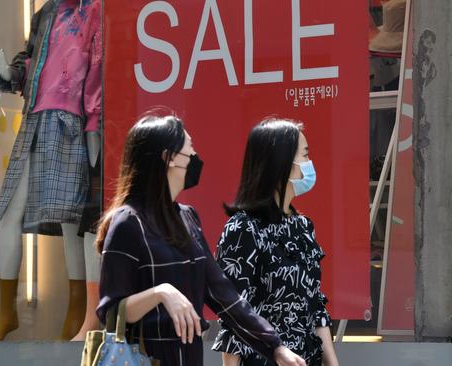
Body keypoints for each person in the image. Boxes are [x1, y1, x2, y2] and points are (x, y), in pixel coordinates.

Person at [96, 113, 306, 366]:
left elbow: (224, 295)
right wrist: (161, 293)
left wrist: (275, 347)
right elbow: (111, 311)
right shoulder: (127, 223)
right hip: (145, 358)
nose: (196, 159)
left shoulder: (187, 217)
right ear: (169, 158)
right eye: (190, 151)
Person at [212, 118, 339, 366]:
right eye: (304, 155)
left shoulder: (302, 226)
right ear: (282, 164)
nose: (309, 164)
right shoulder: (243, 228)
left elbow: (315, 306)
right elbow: (233, 316)